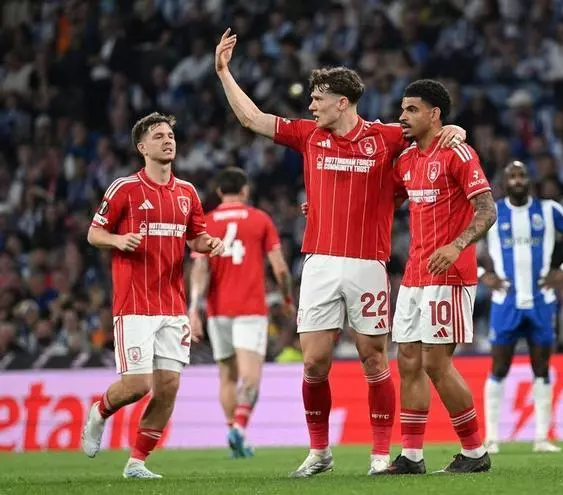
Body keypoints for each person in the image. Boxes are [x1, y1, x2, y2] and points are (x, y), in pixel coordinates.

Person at [214, 29, 465, 476]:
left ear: (343, 102)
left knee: (373, 355)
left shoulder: (387, 138)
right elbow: (254, 119)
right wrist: (224, 73)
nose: (311, 106)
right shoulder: (309, 135)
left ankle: (379, 455)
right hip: (320, 261)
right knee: (313, 359)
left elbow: (430, 134)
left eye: (318, 98)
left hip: (369, 262)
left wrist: (454, 129)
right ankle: (319, 452)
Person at [80, 112, 224, 478]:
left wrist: (210, 244)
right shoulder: (124, 188)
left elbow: (195, 238)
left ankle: (137, 463)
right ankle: (99, 411)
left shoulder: (187, 193)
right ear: (142, 147)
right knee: (138, 385)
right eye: (158, 136)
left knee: (168, 387)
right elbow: (94, 234)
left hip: (172, 305)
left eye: (170, 135)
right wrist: (117, 239)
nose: (167, 140)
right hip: (135, 305)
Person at [376, 80, 496, 475]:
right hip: (414, 275)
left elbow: (487, 209)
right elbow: (383, 198)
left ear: (434, 114)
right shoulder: (407, 160)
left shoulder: (457, 151)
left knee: (435, 363)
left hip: (450, 273)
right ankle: (411, 457)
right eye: (402, 109)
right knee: (408, 361)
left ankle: (476, 452)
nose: (403, 116)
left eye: (411, 109)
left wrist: (457, 245)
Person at [188, 166, 293, 459]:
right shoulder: (259, 219)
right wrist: (286, 298)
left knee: (227, 377)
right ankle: (240, 429)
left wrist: (194, 308)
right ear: (245, 191)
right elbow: (280, 268)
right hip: (249, 308)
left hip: (217, 310)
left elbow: (199, 268)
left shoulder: (206, 223)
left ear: (220, 192)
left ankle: (232, 430)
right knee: (251, 377)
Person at [480, 161, 563, 454]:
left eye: (523, 175)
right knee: (499, 366)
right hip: (505, 301)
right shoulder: (492, 212)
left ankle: (541, 438)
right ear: (505, 181)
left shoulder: (549, 211)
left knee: (541, 367)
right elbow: (460, 240)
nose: (518, 180)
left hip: (541, 300)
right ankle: (492, 438)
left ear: (530, 180)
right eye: (512, 175)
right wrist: (482, 275)